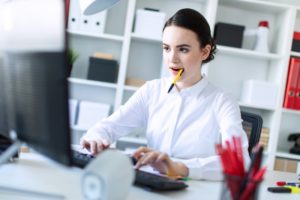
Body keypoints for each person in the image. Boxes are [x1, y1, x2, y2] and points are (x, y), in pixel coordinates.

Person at [80, 8, 250, 180]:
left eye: (183, 49)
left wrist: (179, 167)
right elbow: (108, 127)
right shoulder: (151, 90)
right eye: (167, 48)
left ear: (204, 52)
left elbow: (240, 162)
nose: (172, 59)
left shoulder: (222, 101)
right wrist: (97, 139)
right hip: (153, 186)